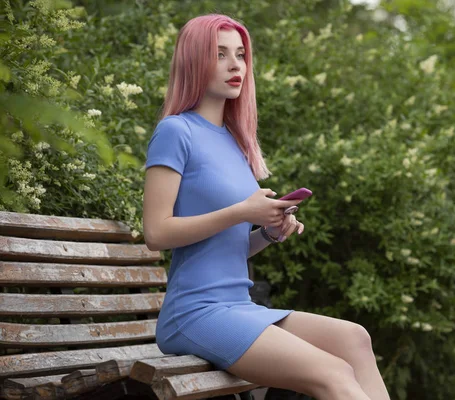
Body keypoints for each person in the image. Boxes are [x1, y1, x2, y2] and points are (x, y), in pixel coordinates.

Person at [143, 14, 391, 400]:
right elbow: (156, 233)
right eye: (220, 54)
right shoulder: (176, 131)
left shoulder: (234, 141)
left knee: (355, 339)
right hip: (194, 312)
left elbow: (230, 244)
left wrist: (269, 232)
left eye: (240, 55)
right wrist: (242, 212)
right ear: (193, 61)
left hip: (239, 305)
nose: (234, 65)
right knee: (332, 372)